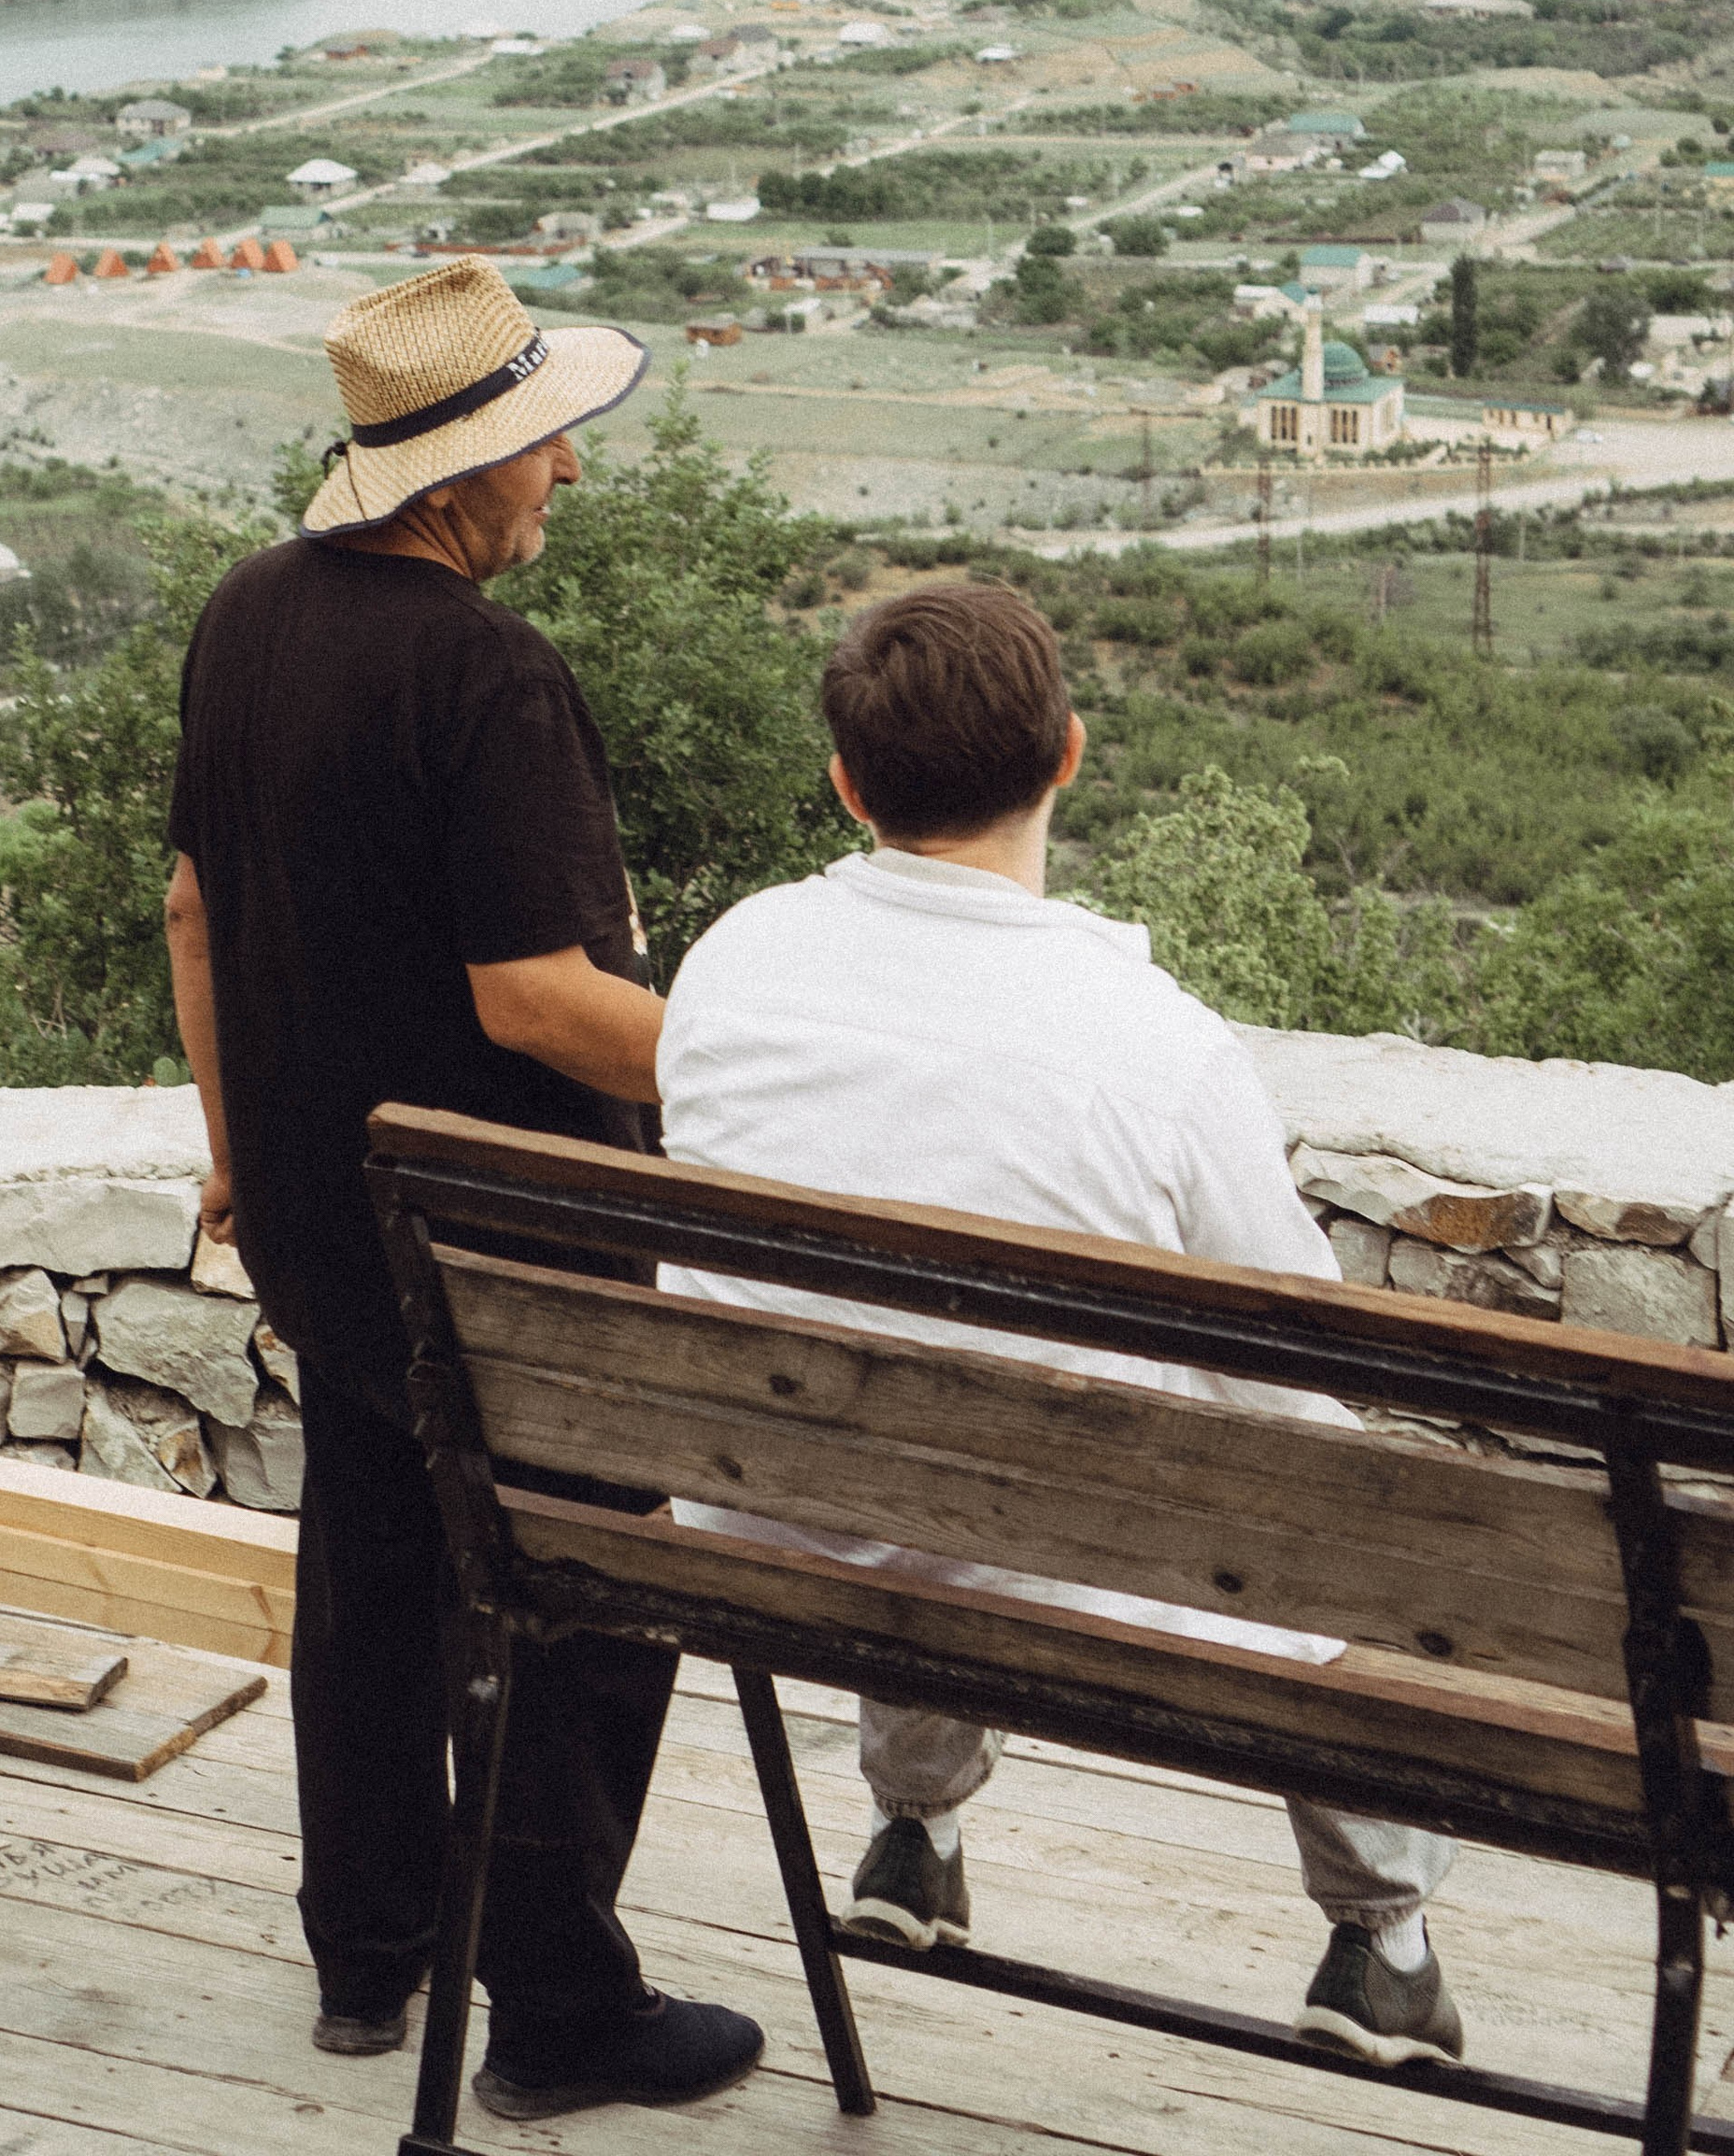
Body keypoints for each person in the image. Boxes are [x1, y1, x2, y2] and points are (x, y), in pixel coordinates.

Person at [656, 580, 1467, 2076]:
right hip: (1060, 1561)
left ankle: (912, 1833)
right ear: (1070, 756)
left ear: (845, 783)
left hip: (762, 1525)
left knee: (907, 1434)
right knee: (1327, 1500)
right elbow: (1299, 1345)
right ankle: (1384, 1937)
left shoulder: (735, 964)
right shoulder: (1152, 1043)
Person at [165, 253, 762, 2125]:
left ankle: (365, 1951)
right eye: (544, 446)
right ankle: (561, 2011)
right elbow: (540, 1001)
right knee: (586, 1587)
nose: (566, 476)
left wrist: (235, 1156)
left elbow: (191, 908)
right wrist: (756, 1067)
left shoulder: (246, 611)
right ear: (456, 481)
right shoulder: (486, 671)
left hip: (326, 1223)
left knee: (367, 1558)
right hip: (513, 1254)